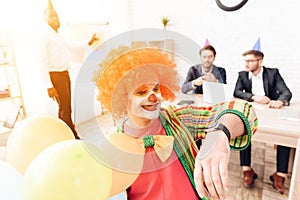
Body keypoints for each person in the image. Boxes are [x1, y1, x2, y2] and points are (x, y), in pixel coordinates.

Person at [94, 47, 258, 200]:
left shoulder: (180, 118)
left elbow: (244, 109)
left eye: (156, 89)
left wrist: (220, 133)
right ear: (122, 97)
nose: (153, 97)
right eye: (141, 91)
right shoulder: (113, 144)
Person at [233, 49, 292, 194]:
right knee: (243, 129)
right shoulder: (242, 75)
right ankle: (247, 169)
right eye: (245, 61)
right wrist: (254, 97)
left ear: (260, 61)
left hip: (270, 113)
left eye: (250, 61)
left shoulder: (273, 73)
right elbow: (237, 92)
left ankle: (280, 175)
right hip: (252, 112)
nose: (246, 64)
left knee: (285, 134)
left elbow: (286, 92)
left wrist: (281, 101)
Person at [42, 0, 80, 139]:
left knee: (67, 108)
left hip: (65, 74)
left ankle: (67, 135)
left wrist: (88, 42)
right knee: (64, 109)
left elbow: (72, 46)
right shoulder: (45, 36)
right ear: (45, 19)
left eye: (56, 16)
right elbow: (42, 61)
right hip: (55, 76)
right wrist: (48, 86)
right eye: (51, 16)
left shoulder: (59, 35)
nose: (55, 19)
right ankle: (71, 137)